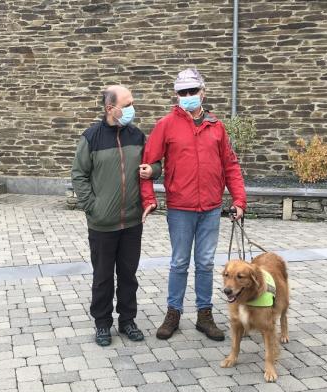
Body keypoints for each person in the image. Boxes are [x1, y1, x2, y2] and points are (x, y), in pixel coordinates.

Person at [140, 68, 246, 342]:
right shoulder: (166, 125)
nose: (188, 97)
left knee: (206, 262)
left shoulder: (217, 126)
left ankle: (204, 314)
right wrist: (149, 198)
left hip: (210, 207)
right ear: (176, 95)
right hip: (180, 207)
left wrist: (239, 199)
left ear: (203, 92)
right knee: (178, 262)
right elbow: (149, 164)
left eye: (192, 91)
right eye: (182, 93)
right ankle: (173, 312)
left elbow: (230, 165)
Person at [71, 85, 160, 346]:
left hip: (132, 221)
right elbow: (79, 174)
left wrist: (152, 171)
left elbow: (154, 164)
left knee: (128, 275)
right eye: (128, 103)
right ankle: (102, 324)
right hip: (102, 224)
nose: (133, 108)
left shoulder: (137, 136)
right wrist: (93, 207)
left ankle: (127, 320)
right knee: (102, 277)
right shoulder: (91, 138)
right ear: (111, 108)